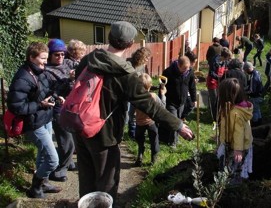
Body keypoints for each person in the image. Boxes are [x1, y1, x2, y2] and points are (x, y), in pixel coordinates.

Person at [74, 21, 194, 202]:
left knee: (86, 178)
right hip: (104, 135)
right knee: (107, 182)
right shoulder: (125, 74)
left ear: (109, 38)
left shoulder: (88, 59)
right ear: (131, 44)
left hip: (79, 127)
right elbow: (149, 104)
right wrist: (178, 125)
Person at [7, 42, 62, 198]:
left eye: (46, 57)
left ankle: (43, 183)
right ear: (31, 57)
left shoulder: (38, 71)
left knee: (43, 153)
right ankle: (35, 186)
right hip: (33, 123)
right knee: (53, 159)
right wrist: (40, 104)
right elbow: (15, 106)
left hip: (45, 118)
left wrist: (57, 97)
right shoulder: (23, 77)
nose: (46, 61)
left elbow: (47, 89)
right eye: (42, 58)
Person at [45, 39, 77, 182]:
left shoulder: (67, 63)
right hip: (58, 108)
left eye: (62, 54)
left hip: (72, 106)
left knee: (72, 139)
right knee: (66, 141)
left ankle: (68, 162)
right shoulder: (46, 70)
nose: (60, 58)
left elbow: (80, 65)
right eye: (57, 55)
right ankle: (59, 170)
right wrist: (69, 80)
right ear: (50, 55)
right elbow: (51, 92)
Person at [216, 78, 253, 185]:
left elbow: (239, 132)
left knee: (235, 168)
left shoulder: (235, 113)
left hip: (238, 146)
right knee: (229, 165)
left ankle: (233, 186)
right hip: (233, 143)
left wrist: (238, 150)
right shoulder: (231, 108)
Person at [161, 55, 197, 148]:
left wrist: (194, 99)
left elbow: (192, 86)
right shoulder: (168, 72)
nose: (187, 70)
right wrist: (162, 98)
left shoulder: (189, 72)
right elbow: (162, 86)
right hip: (171, 101)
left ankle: (174, 139)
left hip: (182, 101)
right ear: (178, 65)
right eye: (184, 68)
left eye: (188, 68)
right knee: (174, 121)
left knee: (179, 120)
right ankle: (173, 143)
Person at [134, 73, 164, 167]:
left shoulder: (135, 97)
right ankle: (153, 159)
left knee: (140, 141)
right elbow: (162, 106)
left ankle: (140, 155)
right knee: (154, 140)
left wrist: (132, 119)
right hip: (151, 123)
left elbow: (131, 111)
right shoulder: (153, 96)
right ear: (150, 86)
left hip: (139, 123)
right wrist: (163, 95)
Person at [126, 47, 152, 140]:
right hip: (128, 92)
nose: (147, 60)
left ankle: (134, 131)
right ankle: (129, 131)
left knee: (135, 113)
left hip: (138, 92)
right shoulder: (129, 63)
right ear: (141, 57)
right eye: (146, 58)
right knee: (129, 113)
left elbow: (144, 77)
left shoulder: (143, 66)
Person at [206, 47, 232, 127]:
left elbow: (225, 70)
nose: (227, 60)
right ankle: (214, 119)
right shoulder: (213, 61)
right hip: (212, 82)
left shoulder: (224, 62)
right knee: (213, 100)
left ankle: (218, 115)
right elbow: (211, 73)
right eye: (227, 58)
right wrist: (219, 78)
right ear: (223, 57)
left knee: (219, 99)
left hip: (220, 82)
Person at [243, 62, 264, 126]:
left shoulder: (253, 77)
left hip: (255, 97)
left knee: (254, 110)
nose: (246, 72)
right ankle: (260, 121)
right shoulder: (257, 72)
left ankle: (255, 123)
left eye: (245, 70)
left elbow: (251, 90)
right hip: (260, 94)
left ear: (248, 69)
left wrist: (244, 92)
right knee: (257, 109)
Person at [181, 50, 198, 122]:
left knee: (188, 105)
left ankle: (181, 117)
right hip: (183, 91)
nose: (195, 64)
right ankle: (180, 118)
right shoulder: (182, 69)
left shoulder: (190, 69)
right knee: (190, 105)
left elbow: (191, 82)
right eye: (194, 62)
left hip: (187, 90)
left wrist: (194, 81)